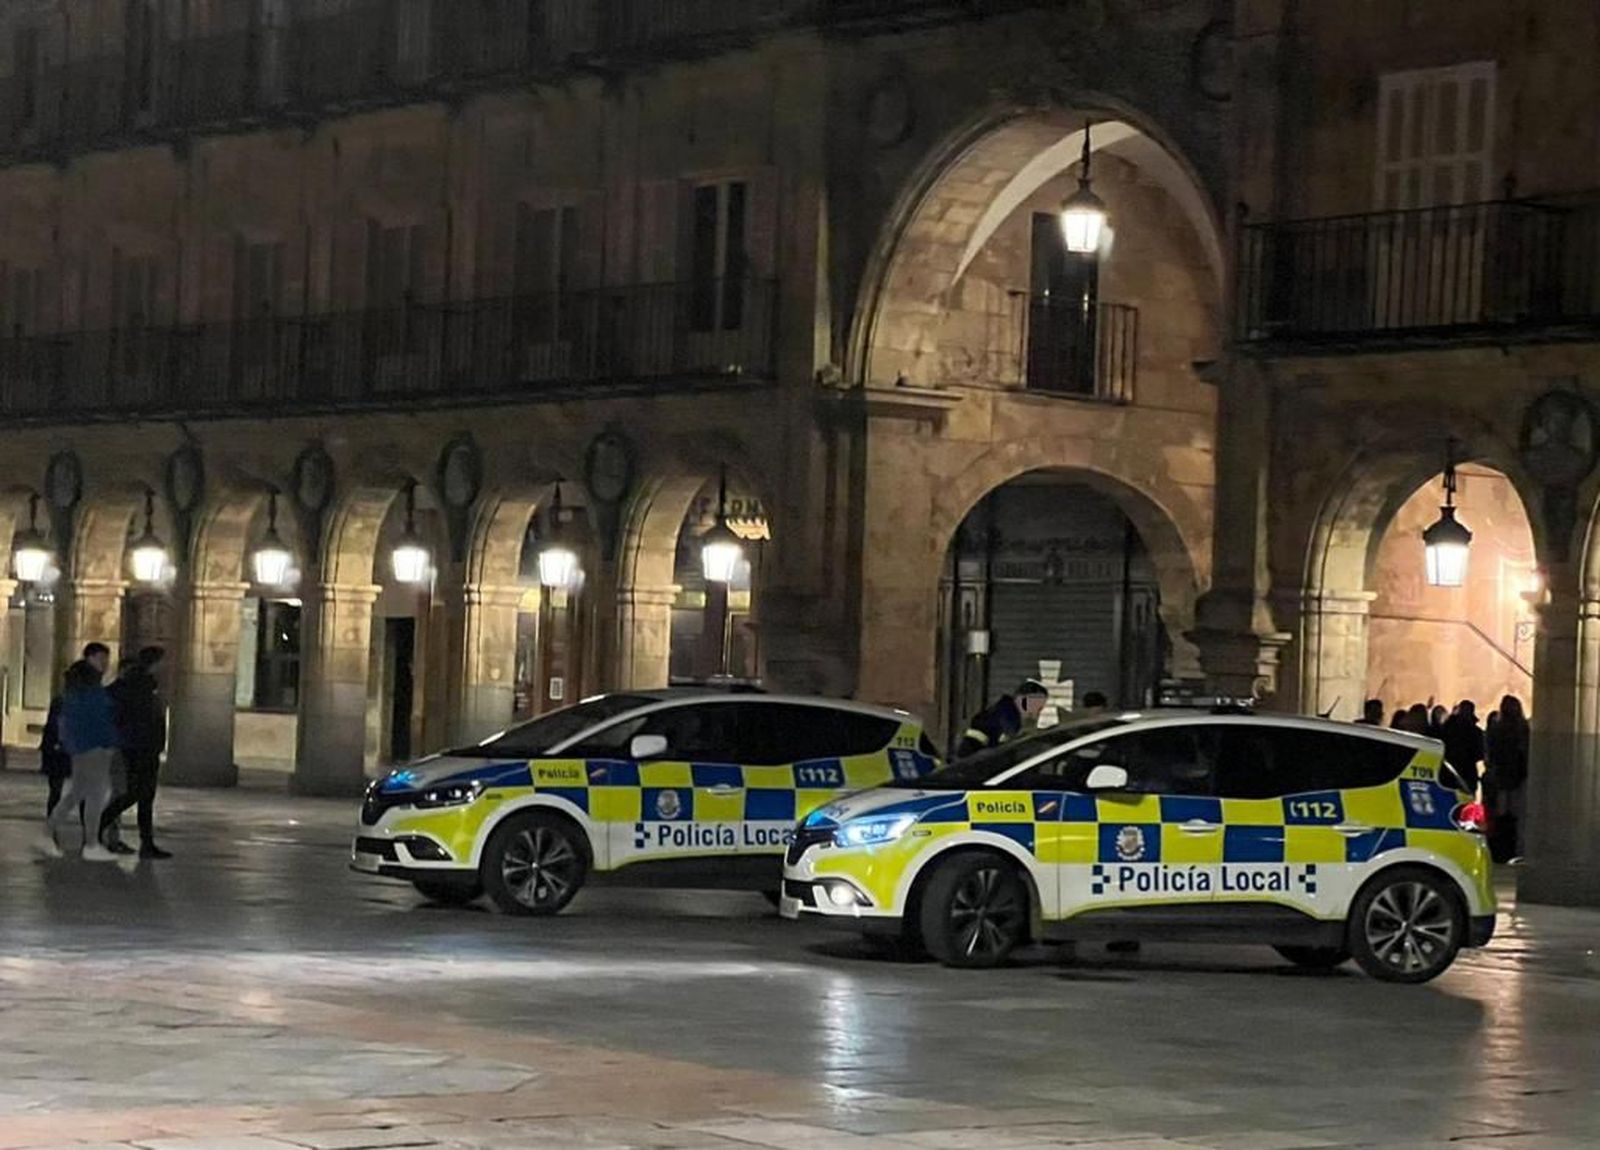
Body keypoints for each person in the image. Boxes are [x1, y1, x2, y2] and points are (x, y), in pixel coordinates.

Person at [39, 656, 121, 861]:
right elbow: (104, 724)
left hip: (80, 751)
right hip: (97, 750)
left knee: (77, 794)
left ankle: (48, 833)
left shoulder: (70, 697)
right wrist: (112, 743)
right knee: (95, 796)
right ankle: (91, 844)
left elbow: (65, 727)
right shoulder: (95, 697)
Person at [100, 646, 172, 860]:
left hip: (145, 746)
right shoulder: (137, 685)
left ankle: (147, 843)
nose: (166, 667)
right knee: (135, 793)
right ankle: (98, 825)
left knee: (145, 796)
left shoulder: (147, 686)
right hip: (138, 746)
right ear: (154, 663)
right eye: (163, 662)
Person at [1484, 695, 1529, 862]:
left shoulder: (1497, 728)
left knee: (1501, 815)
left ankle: (1500, 849)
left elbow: (1490, 754)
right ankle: (1514, 849)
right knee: (1517, 816)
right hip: (1518, 778)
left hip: (1501, 778)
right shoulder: (1523, 728)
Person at [955, 680, 1049, 759]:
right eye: (1036, 704)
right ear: (1021, 699)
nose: (1039, 710)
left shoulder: (1007, 717)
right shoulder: (1002, 719)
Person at [1440, 700, 1486, 794]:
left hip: (1448, 773)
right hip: (1466, 774)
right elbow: (1480, 754)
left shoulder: (1447, 727)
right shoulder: (1476, 732)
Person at [39, 690, 71, 817]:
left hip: (58, 754)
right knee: (56, 789)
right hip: (60, 754)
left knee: (55, 789)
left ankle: (52, 815)